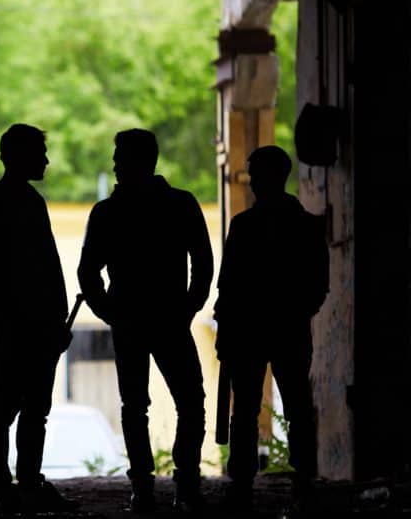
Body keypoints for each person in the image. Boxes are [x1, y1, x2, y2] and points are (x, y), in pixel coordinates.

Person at [77, 128, 213, 513]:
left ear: (140, 160)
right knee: (190, 402)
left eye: (120, 157)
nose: (115, 164)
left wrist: (110, 312)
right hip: (170, 319)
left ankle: (143, 487)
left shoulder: (107, 212)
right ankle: (185, 485)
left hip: (131, 321)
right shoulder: (181, 204)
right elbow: (202, 263)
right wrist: (188, 307)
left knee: (135, 405)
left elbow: (88, 273)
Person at [0, 123, 77, 513]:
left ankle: (11, 480)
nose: (45, 161)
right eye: (39, 154)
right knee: (21, 405)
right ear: (19, 157)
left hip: (23, 322)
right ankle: (14, 480)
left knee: (18, 403)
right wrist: (45, 319)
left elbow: (39, 267)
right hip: (22, 322)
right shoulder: (17, 203)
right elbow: (0, 273)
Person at [215, 146, 328, 511]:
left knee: (245, 410)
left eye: (254, 176)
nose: (253, 183)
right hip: (289, 330)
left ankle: (243, 483)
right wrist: (294, 314)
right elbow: (318, 285)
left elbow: (228, 286)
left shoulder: (245, 226)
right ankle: (304, 480)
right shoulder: (307, 225)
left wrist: (228, 328)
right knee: (296, 408)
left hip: (250, 331)